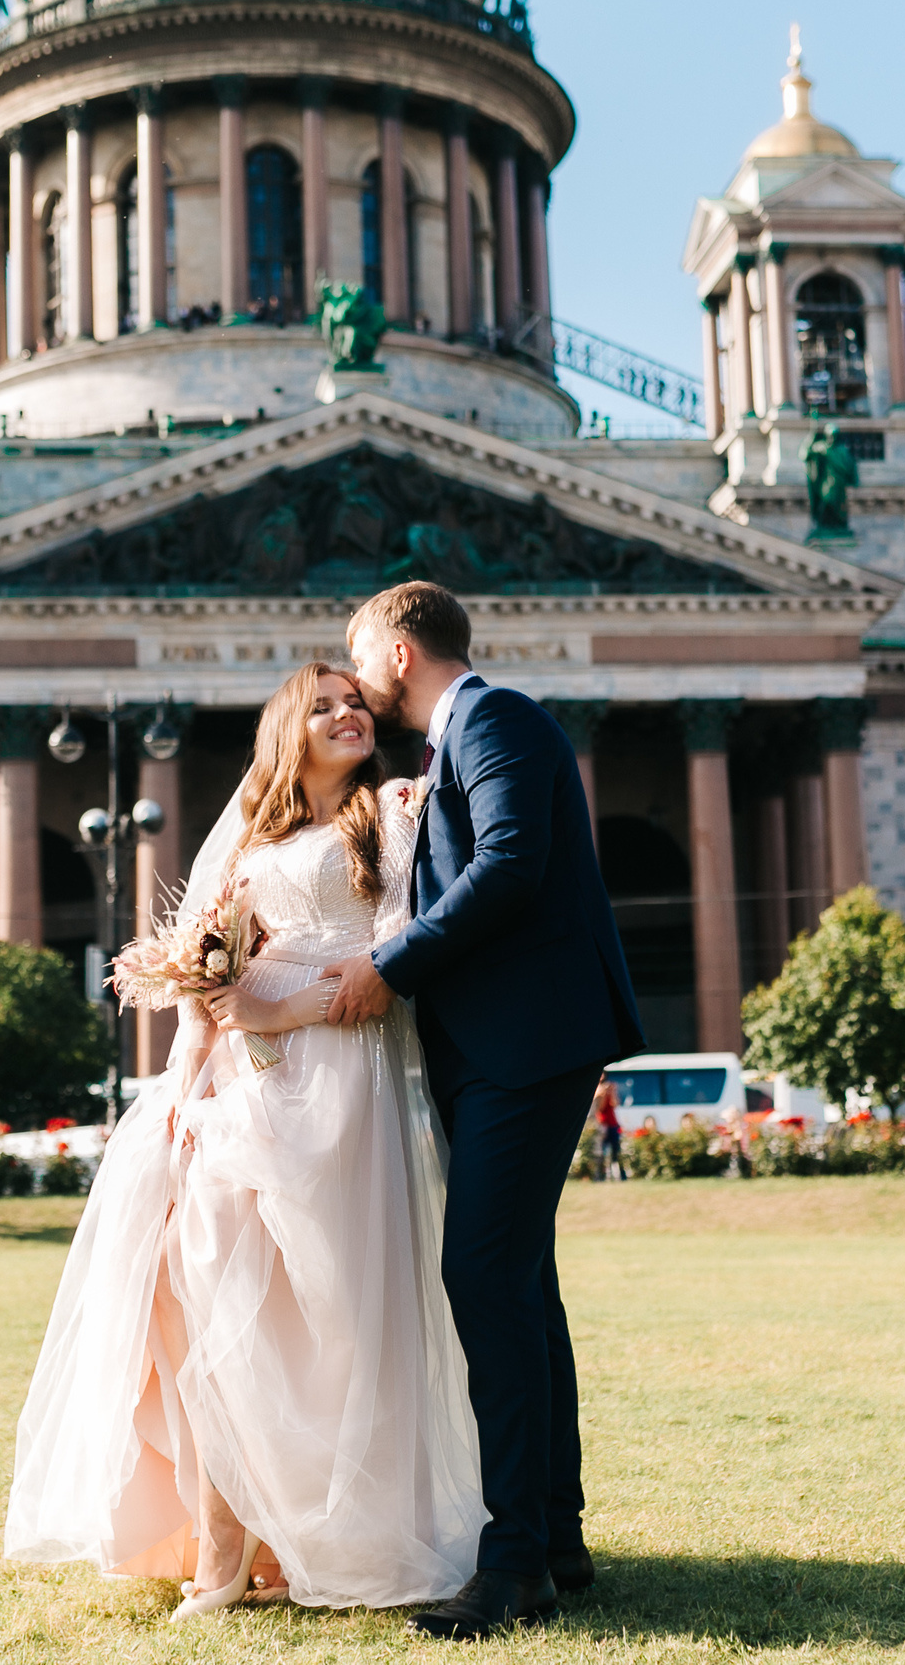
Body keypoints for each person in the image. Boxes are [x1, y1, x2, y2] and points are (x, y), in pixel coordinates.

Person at [5, 661, 479, 1620]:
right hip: (233, 1097)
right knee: (201, 1293)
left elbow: (389, 950)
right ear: (286, 730)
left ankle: (315, 1529)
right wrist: (184, 1081)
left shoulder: (391, 809)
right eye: (325, 705)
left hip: (341, 1088)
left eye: (358, 703)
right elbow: (206, 986)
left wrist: (271, 1006)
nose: (350, 715)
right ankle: (223, 1542)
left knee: (329, 1320)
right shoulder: (253, 841)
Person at [326, 582, 646, 1640]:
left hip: (526, 1043)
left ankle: (513, 1563)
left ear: (398, 649)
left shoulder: (495, 717)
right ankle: (553, 1533)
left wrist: (394, 965)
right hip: (501, 1046)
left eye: (358, 655)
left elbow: (510, 863)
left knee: (484, 1277)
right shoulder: (456, 744)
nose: (357, 679)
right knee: (520, 1284)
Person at [591, 1077, 626, 1182]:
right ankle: (599, 1176)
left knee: (616, 1151)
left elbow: (615, 1104)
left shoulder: (611, 1092)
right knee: (600, 1152)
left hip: (613, 1125)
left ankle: (619, 1175)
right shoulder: (597, 1092)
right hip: (603, 1125)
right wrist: (603, 1094)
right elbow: (599, 1108)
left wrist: (612, 1092)